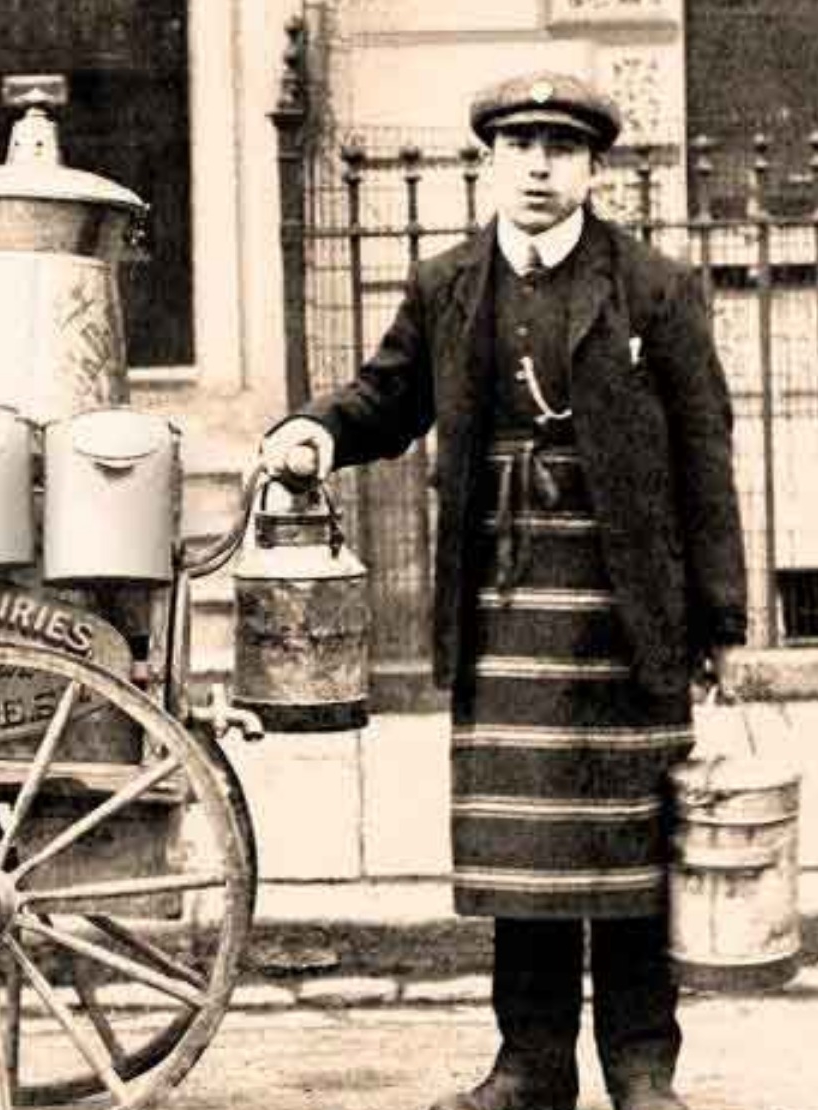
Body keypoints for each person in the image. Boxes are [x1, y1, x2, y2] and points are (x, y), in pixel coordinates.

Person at [260, 72, 747, 1110]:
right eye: (519, 144)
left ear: (592, 168)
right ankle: (528, 1068)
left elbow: (706, 455)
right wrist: (317, 430)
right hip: (503, 595)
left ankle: (641, 1069)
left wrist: (725, 619)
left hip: (628, 609)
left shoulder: (656, 289)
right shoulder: (448, 285)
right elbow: (387, 398)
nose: (537, 164)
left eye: (559, 148)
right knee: (523, 852)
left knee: (631, 856)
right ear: (490, 157)